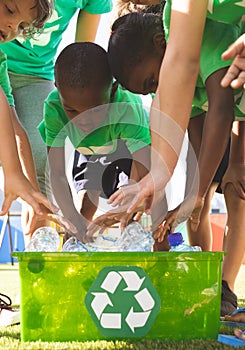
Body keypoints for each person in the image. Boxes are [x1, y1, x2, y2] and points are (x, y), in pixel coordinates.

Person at [88, 11, 245, 316]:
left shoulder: (206, 40)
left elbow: (224, 110)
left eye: (151, 81)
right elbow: (192, 153)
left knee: (235, 186)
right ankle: (213, 285)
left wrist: (204, 189)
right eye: (148, 91)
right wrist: (189, 196)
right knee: (213, 186)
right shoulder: (184, 87)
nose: (157, 90)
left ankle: (226, 286)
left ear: (162, 44)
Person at [0, 0, 112, 237]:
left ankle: (38, 258)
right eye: (9, 11)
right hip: (6, 68)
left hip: (36, 76)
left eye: (23, 26)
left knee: (42, 161)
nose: (14, 26)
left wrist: (28, 185)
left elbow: (82, 58)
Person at [38, 42, 151, 242]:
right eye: (72, 110)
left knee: (135, 206)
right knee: (87, 201)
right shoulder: (54, 108)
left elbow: (144, 167)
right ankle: (77, 243)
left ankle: (150, 248)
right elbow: (56, 172)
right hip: (90, 150)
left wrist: (130, 205)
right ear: (58, 90)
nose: (83, 120)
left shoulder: (126, 108)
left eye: (95, 111)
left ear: (113, 90)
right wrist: (72, 219)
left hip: (129, 149)